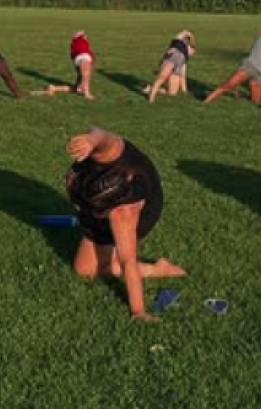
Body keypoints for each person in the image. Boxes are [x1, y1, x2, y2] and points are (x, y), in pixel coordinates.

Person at [64, 127, 186, 322]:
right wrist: (91, 140)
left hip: (145, 204)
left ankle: (158, 269)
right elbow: (100, 133)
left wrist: (138, 311)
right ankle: (109, 253)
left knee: (119, 254)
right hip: (108, 185)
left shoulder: (124, 214)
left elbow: (128, 261)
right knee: (85, 271)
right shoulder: (111, 152)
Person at [203, 26, 261, 104]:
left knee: (256, 101)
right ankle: (206, 101)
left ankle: (240, 95)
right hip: (248, 68)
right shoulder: (260, 46)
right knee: (227, 85)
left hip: (257, 76)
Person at [32, 31, 96, 99]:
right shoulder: (79, 41)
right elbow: (79, 34)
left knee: (76, 87)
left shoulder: (79, 43)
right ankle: (87, 93)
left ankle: (53, 88)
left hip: (82, 58)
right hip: (83, 57)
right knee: (85, 76)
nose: (86, 36)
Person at [145, 31, 195, 103]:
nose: (193, 51)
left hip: (179, 63)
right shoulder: (177, 42)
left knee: (172, 93)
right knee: (162, 78)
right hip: (171, 59)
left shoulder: (185, 59)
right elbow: (185, 31)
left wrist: (185, 91)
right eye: (192, 49)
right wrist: (191, 38)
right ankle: (151, 99)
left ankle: (150, 88)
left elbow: (183, 76)